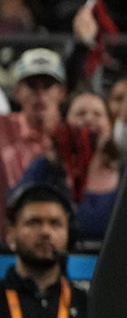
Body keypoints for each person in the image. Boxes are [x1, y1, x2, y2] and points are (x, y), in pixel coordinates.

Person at [0, 182, 86, 318]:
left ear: (68, 234)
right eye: (34, 222)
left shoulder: (88, 306)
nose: (46, 232)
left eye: (55, 223)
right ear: (10, 235)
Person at [17, 91, 122, 245]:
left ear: (110, 125)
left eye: (97, 114)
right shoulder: (46, 167)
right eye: (80, 113)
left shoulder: (126, 170)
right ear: (64, 124)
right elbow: (17, 211)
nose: (88, 119)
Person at [0, 49, 66, 238]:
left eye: (47, 85)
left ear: (61, 92)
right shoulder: (2, 128)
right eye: (32, 85)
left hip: (61, 243)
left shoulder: (74, 137)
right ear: (17, 91)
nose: (40, 93)